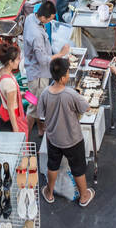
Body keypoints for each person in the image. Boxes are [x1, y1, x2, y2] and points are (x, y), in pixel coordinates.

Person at [39, 58, 94, 207]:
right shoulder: (70, 94)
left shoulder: (45, 93)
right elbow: (86, 108)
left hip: (53, 138)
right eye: (68, 73)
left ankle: (49, 193)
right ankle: (83, 196)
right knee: (78, 168)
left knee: (53, 165)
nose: (69, 75)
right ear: (63, 77)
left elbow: (41, 114)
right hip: (73, 139)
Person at [0, 39, 28, 133]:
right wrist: (16, 130)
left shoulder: (0, 70)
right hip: (10, 120)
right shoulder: (9, 84)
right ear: (10, 62)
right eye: (17, 59)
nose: (19, 61)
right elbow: (11, 110)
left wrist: (19, 94)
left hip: (2, 115)